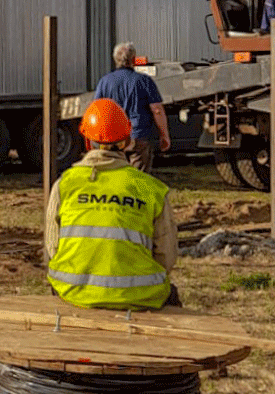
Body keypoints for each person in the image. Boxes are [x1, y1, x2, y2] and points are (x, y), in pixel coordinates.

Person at [44, 98, 180, 310]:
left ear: (87, 141)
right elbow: (166, 257)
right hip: (139, 296)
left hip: (73, 292)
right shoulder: (148, 187)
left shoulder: (66, 184)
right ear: (126, 141)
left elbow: (53, 248)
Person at [93, 42, 171, 174]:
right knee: (137, 178)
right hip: (137, 136)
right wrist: (164, 135)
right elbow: (157, 110)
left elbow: (97, 110)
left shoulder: (104, 82)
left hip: (113, 137)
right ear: (134, 59)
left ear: (115, 60)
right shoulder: (144, 81)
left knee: (116, 176)